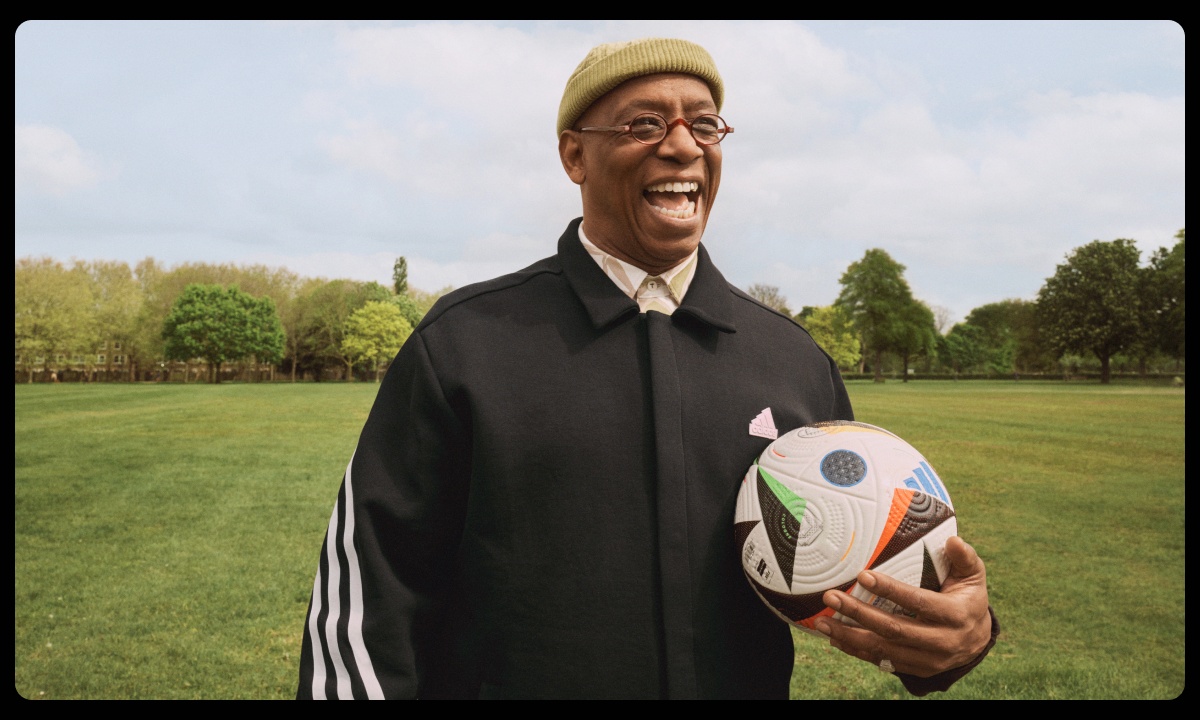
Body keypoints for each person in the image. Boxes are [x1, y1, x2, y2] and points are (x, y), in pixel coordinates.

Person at [297, 37, 997, 700]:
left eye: (705, 124)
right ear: (575, 155)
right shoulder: (466, 344)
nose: (683, 145)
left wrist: (960, 634)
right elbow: (368, 599)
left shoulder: (792, 361)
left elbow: (887, 574)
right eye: (643, 124)